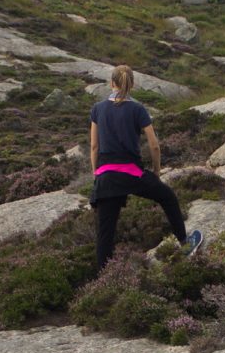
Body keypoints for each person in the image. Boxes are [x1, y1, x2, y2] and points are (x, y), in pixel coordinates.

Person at [88, 65, 205, 273]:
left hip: (106, 176)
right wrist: (156, 171)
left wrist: (96, 173)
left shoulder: (97, 108)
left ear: (111, 83)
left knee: (105, 234)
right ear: (131, 84)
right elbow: (154, 145)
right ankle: (185, 244)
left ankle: (103, 279)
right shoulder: (138, 109)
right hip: (132, 173)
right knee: (167, 197)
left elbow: (94, 146)